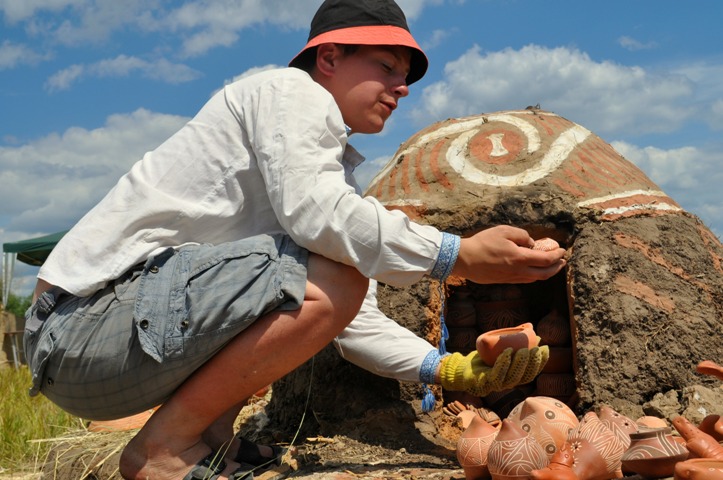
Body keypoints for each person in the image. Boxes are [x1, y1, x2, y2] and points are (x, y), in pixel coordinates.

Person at [24, 0, 566, 479]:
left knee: (328, 277)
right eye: (385, 66)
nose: (402, 88)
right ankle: (165, 451)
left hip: (107, 349)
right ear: (327, 58)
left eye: (405, 76)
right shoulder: (290, 92)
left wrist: (447, 368)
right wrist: (457, 255)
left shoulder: (314, 167)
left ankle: (212, 445)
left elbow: (346, 315)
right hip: (81, 330)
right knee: (334, 270)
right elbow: (322, 225)